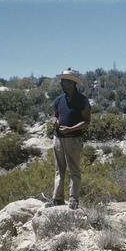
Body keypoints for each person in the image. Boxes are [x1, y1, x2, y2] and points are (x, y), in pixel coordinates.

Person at [45, 68, 91, 209]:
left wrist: (70, 129)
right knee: (59, 169)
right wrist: (54, 120)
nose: (62, 83)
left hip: (73, 139)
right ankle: (57, 198)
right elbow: (55, 115)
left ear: (71, 83)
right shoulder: (59, 99)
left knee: (74, 170)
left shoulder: (82, 100)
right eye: (62, 81)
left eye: (64, 81)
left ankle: (73, 200)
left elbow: (87, 121)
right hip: (58, 138)